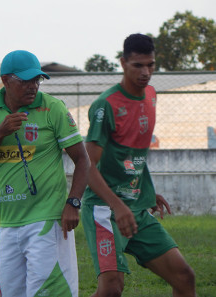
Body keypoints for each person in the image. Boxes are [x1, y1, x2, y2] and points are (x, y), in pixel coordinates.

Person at [0, 50, 90, 297]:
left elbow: (83, 160)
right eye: (25, 81)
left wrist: (73, 203)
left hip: (48, 221)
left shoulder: (52, 108)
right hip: (9, 223)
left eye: (37, 80)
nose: (33, 86)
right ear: (5, 81)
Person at [81, 34, 196, 297]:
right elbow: (87, 166)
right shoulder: (105, 105)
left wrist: (146, 191)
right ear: (123, 63)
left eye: (151, 65)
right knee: (111, 288)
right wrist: (118, 206)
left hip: (136, 207)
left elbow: (134, 151)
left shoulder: (151, 96)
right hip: (104, 209)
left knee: (184, 278)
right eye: (138, 66)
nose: (146, 72)